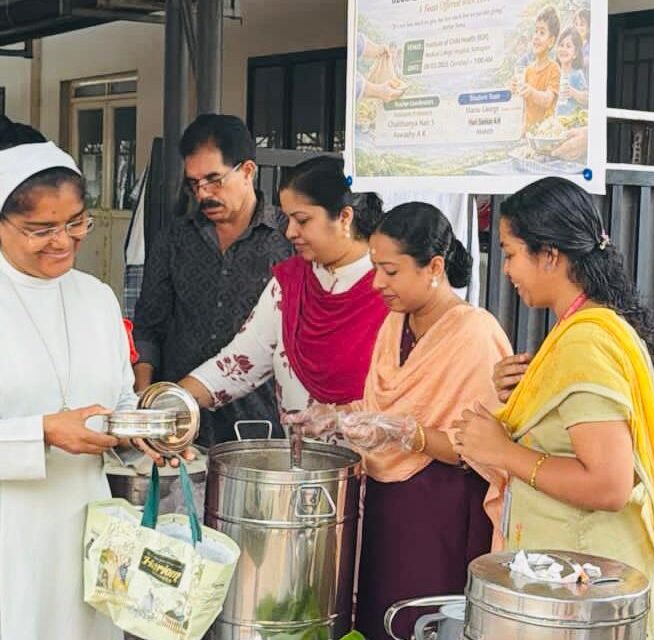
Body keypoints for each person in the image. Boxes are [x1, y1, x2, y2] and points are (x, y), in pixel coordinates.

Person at [452, 177, 654, 640]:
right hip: (576, 588)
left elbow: (610, 483)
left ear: (550, 255)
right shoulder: (578, 331)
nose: (506, 269)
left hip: (583, 594)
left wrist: (503, 451)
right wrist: (523, 397)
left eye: (511, 252)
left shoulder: (585, 342)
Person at [0, 118, 169, 638]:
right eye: (41, 230)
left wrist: (146, 427)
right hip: (10, 535)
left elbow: (118, 396)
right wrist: (44, 432)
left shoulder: (96, 297)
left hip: (87, 527)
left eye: (76, 223)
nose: (63, 242)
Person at [338, 203, 512, 640]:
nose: (378, 283)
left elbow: (481, 448)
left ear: (434, 266)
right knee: (380, 618)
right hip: (382, 503)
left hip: (443, 509)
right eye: (376, 268)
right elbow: (380, 405)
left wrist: (408, 434)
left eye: (391, 272)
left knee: (427, 621)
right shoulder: (394, 325)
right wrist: (340, 419)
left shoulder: (476, 332)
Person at [178, 156, 389, 422]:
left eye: (302, 220)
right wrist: (169, 403)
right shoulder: (289, 284)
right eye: (288, 219)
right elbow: (238, 363)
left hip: (377, 460)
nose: (289, 232)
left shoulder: (392, 289)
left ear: (345, 217)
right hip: (297, 460)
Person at [132, 114, 293, 446]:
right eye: (194, 183)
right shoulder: (175, 239)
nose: (203, 193)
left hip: (260, 424)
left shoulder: (289, 238)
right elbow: (149, 326)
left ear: (248, 171)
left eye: (214, 180)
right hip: (179, 421)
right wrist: (144, 399)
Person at [513, 5, 561, 130]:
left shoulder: (554, 68)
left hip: (545, 133)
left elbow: (547, 100)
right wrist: (514, 91)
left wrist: (530, 92)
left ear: (551, 41)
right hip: (527, 132)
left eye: (542, 32)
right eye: (535, 31)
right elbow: (524, 105)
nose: (536, 36)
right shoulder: (528, 70)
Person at [555, 26, 588, 116]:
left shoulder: (577, 74)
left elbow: (586, 99)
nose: (563, 49)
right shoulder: (554, 73)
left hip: (572, 122)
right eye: (561, 45)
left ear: (575, 53)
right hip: (554, 121)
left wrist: (572, 92)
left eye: (568, 46)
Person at [574, 8, 591, 78]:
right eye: (576, 24)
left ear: (589, 27)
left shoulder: (590, 45)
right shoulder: (573, 44)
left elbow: (586, 62)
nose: (578, 27)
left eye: (582, 24)